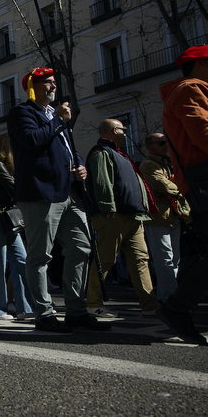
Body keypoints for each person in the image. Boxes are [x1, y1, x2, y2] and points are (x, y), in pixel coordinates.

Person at [7, 68, 110, 333]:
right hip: (41, 194)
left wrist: (79, 167)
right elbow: (32, 141)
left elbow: (68, 150)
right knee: (40, 256)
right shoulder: (23, 113)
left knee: (81, 248)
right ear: (34, 86)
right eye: (48, 83)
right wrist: (59, 122)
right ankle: (44, 314)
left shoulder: (56, 117)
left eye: (54, 83)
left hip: (69, 193)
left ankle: (76, 312)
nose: (54, 86)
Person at [157, 45, 208, 345]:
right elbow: (203, 133)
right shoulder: (190, 89)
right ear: (201, 64)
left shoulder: (193, 89)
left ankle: (177, 308)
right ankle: (177, 307)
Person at [84, 119, 160, 317]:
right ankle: (93, 303)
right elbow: (102, 182)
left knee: (140, 260)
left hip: (133, 216)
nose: (126, 133)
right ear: (112, 131)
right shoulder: (101, 153)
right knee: (106, 261)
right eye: (123, 130)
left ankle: (150, 305)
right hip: (113, 216)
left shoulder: (119, 155)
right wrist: (108, 208)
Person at [0, 135, 33, 320]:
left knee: (22, 261)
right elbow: (14, 188)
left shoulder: (1, 168)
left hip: (6, 220)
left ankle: (26, 307)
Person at [139, 132, 189, 303]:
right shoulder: (148, 165)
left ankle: (171, 294)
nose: (165, 146)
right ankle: (168, 296)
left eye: (166, 142)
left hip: (174, 215)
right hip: (158, 217)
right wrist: (181, 187)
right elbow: (165, 185)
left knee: (174, 258)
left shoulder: (168, 164)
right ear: (149, 147)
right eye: (161, 143)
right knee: (164, 258)